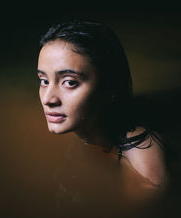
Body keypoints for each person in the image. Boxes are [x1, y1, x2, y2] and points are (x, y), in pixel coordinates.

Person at [37, 19, 169, 192]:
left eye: (69, 82)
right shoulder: (87, 125)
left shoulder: (146, 177)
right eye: (44, 81)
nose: (48, 99)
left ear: (109, 87)